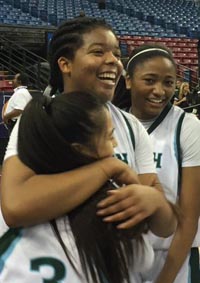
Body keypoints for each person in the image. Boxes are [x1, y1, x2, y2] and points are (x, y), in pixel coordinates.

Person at [0, 91, 175, 283]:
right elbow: (151, 249)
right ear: (80, 149)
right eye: (110, 136)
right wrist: (154, 199)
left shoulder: (18, 213)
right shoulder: (112, 209)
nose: (114, 144)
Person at [1, 17, 176, 234]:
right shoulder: (40, 118)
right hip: (48, 264)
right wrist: (107, 168)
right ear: (65, 64)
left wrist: (156, 203)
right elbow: (15, 208)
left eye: (117, 53)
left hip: (108, 265)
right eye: (98, 52)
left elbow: (165, 228)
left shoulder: (131, 127)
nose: (114, 60)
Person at [124, 44, 200, 283]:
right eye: (150, 80)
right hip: (122, 260)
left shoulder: (187, 127)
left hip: (172, 264)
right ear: (128, 79)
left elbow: (189, 217)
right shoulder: (112, 123)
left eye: (168, 82)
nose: (160, 90)